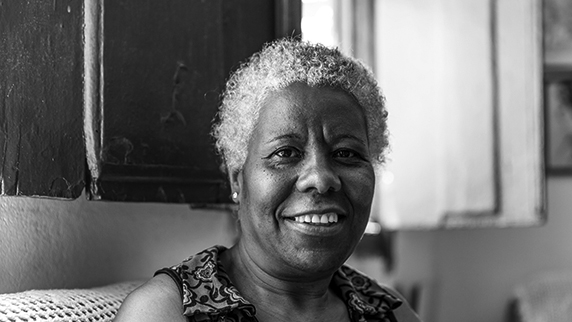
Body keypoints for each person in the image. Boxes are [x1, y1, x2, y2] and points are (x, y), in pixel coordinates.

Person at [114, 38, 421, 322]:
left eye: (346, 153)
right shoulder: (167, 312)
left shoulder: (390, 312)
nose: (321, 178)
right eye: (286, 152)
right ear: (238, 180)